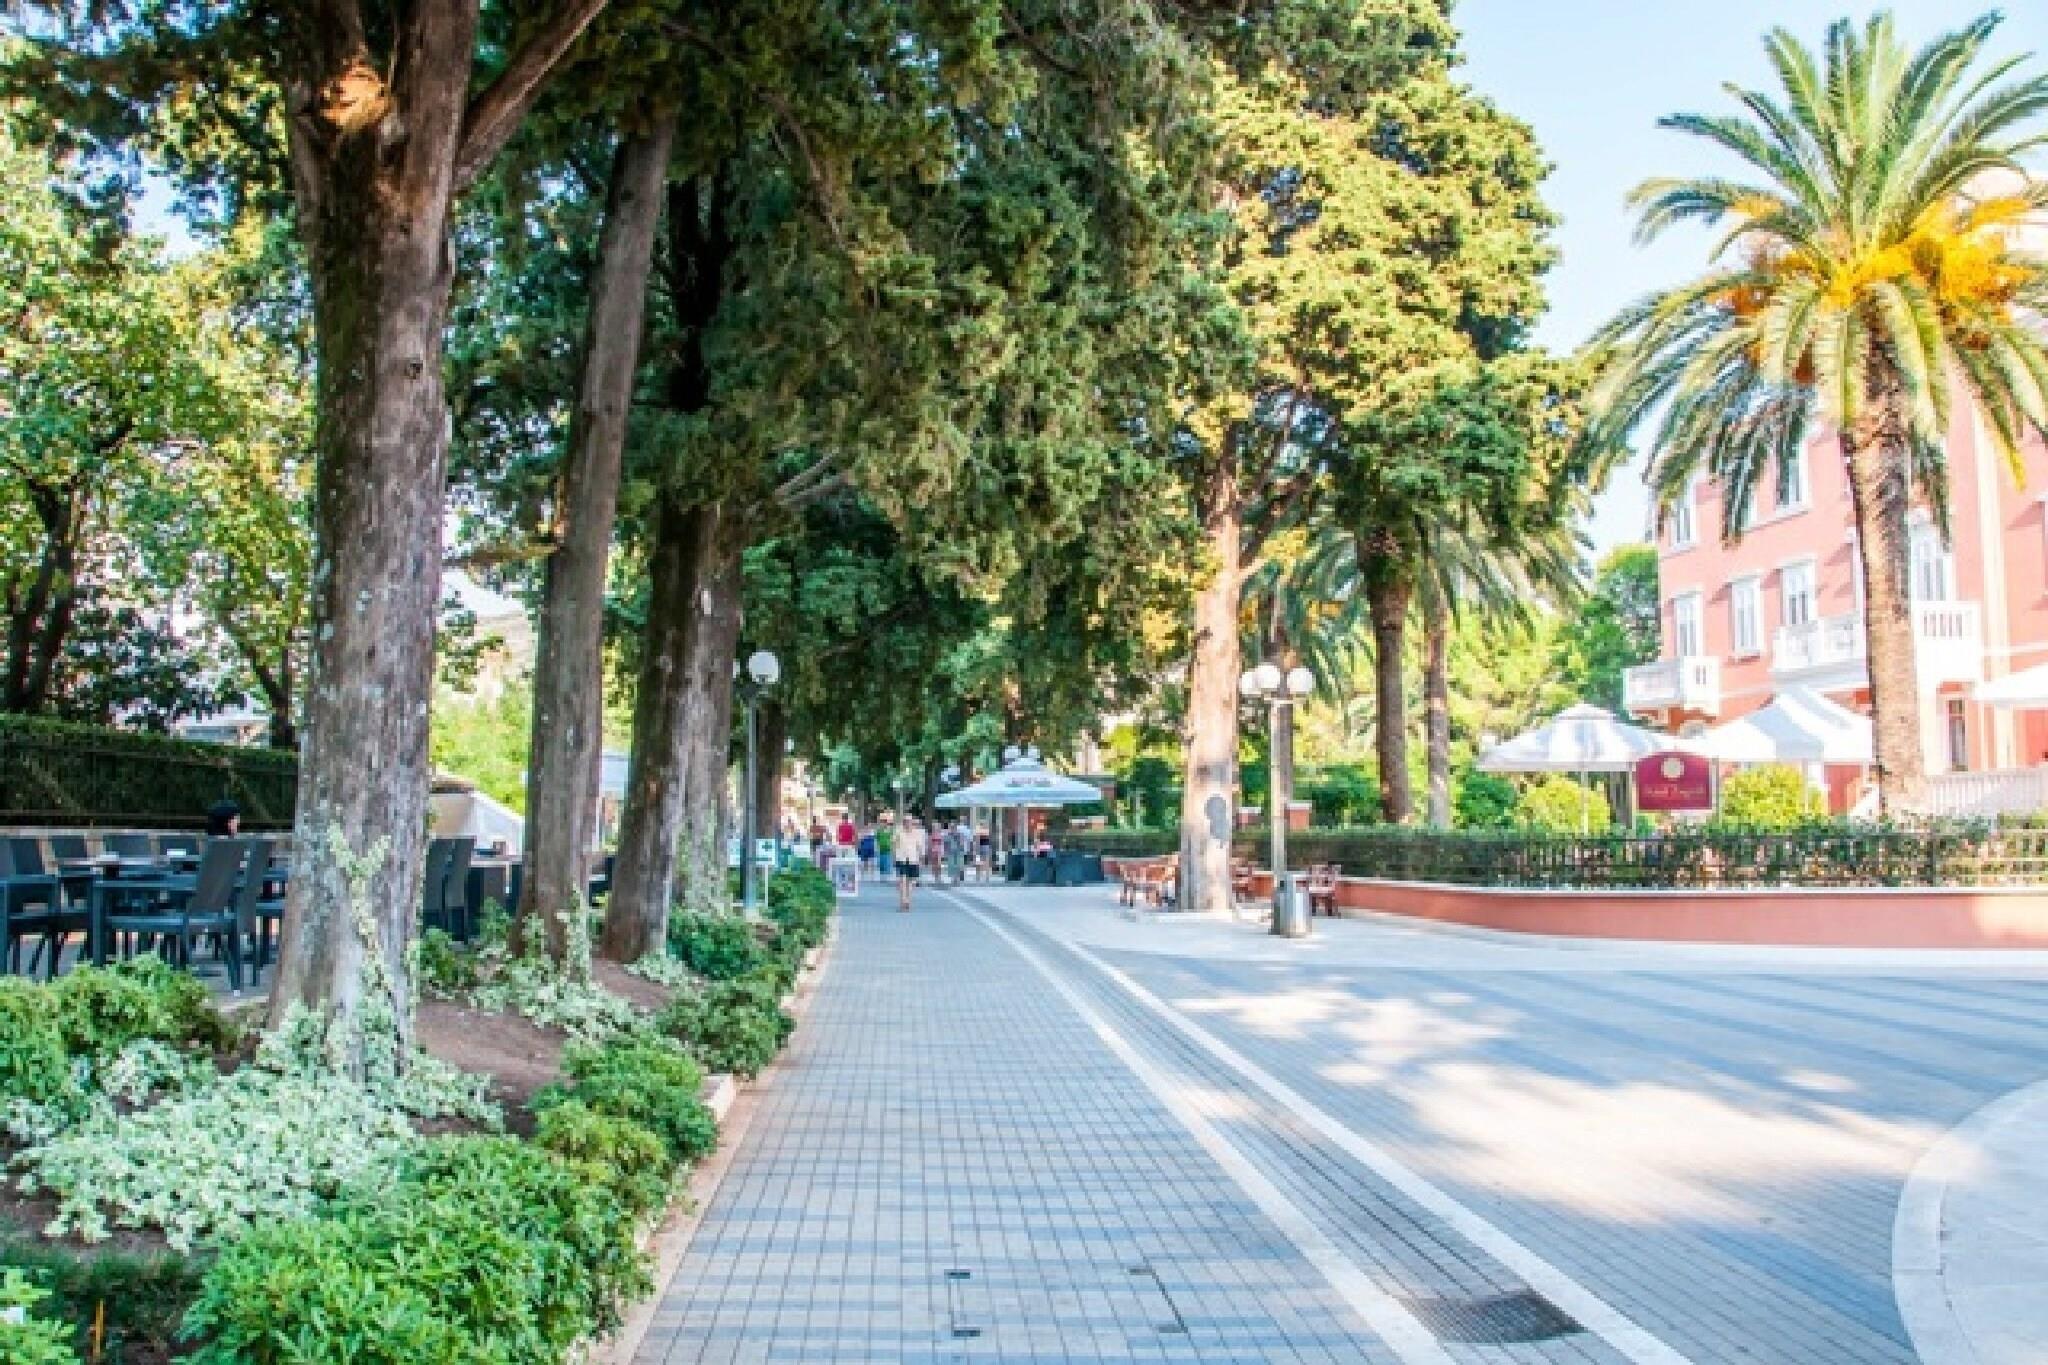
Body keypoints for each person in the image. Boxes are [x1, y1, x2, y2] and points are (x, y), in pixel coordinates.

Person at [894, 817, 928, 912]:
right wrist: (894, 856)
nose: (908, 824)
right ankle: (903, 902)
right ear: (903, 823)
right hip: (902, 858)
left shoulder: (917, 833)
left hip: (913, 859)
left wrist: (921, 858)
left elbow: (920, 847)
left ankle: (908, 900)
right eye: (906, 822)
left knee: (911, 882)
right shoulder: (898, 832)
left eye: (909, 822)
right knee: (903, 880)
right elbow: (894, 844)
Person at [943, 820, 968, 886]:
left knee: (958, 865)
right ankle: (953, 878)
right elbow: (945, 844)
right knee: (951, 865)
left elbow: (962, 843)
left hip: (958, 851)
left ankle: (957, 879)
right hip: (951, 852)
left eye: (953, 827)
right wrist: (945, 852)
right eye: (951, 827)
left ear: (956, 827)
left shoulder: (959, 834)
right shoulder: (948, 835)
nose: (952, 828)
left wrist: (962, 850)